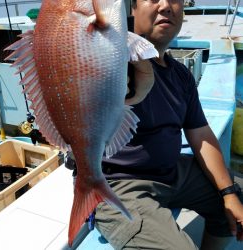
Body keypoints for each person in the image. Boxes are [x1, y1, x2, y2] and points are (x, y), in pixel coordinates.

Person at [91, 0, 243, 249]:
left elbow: (201, 133)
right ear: (131, 10)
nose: (165, 6)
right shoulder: (114, 60)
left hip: (173, 172)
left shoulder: (181, 75)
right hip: (118, 183)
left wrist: (228, 193)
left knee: (235, 203)